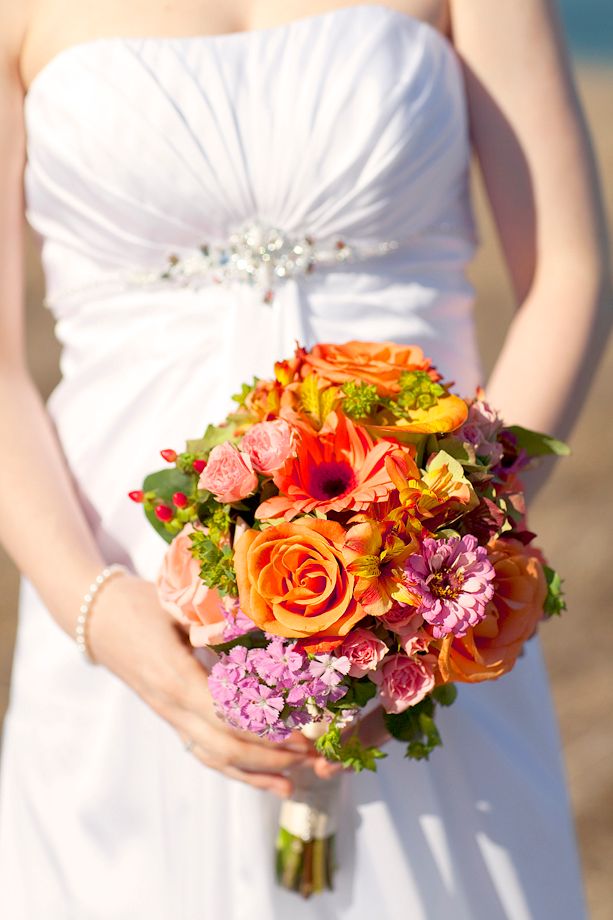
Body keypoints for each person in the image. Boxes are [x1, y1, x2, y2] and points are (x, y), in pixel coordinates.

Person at [0, 1, 610, 917]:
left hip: (423, 576)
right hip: (118, 585)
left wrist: (437, 562)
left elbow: (568, 270)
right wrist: (98, 610)